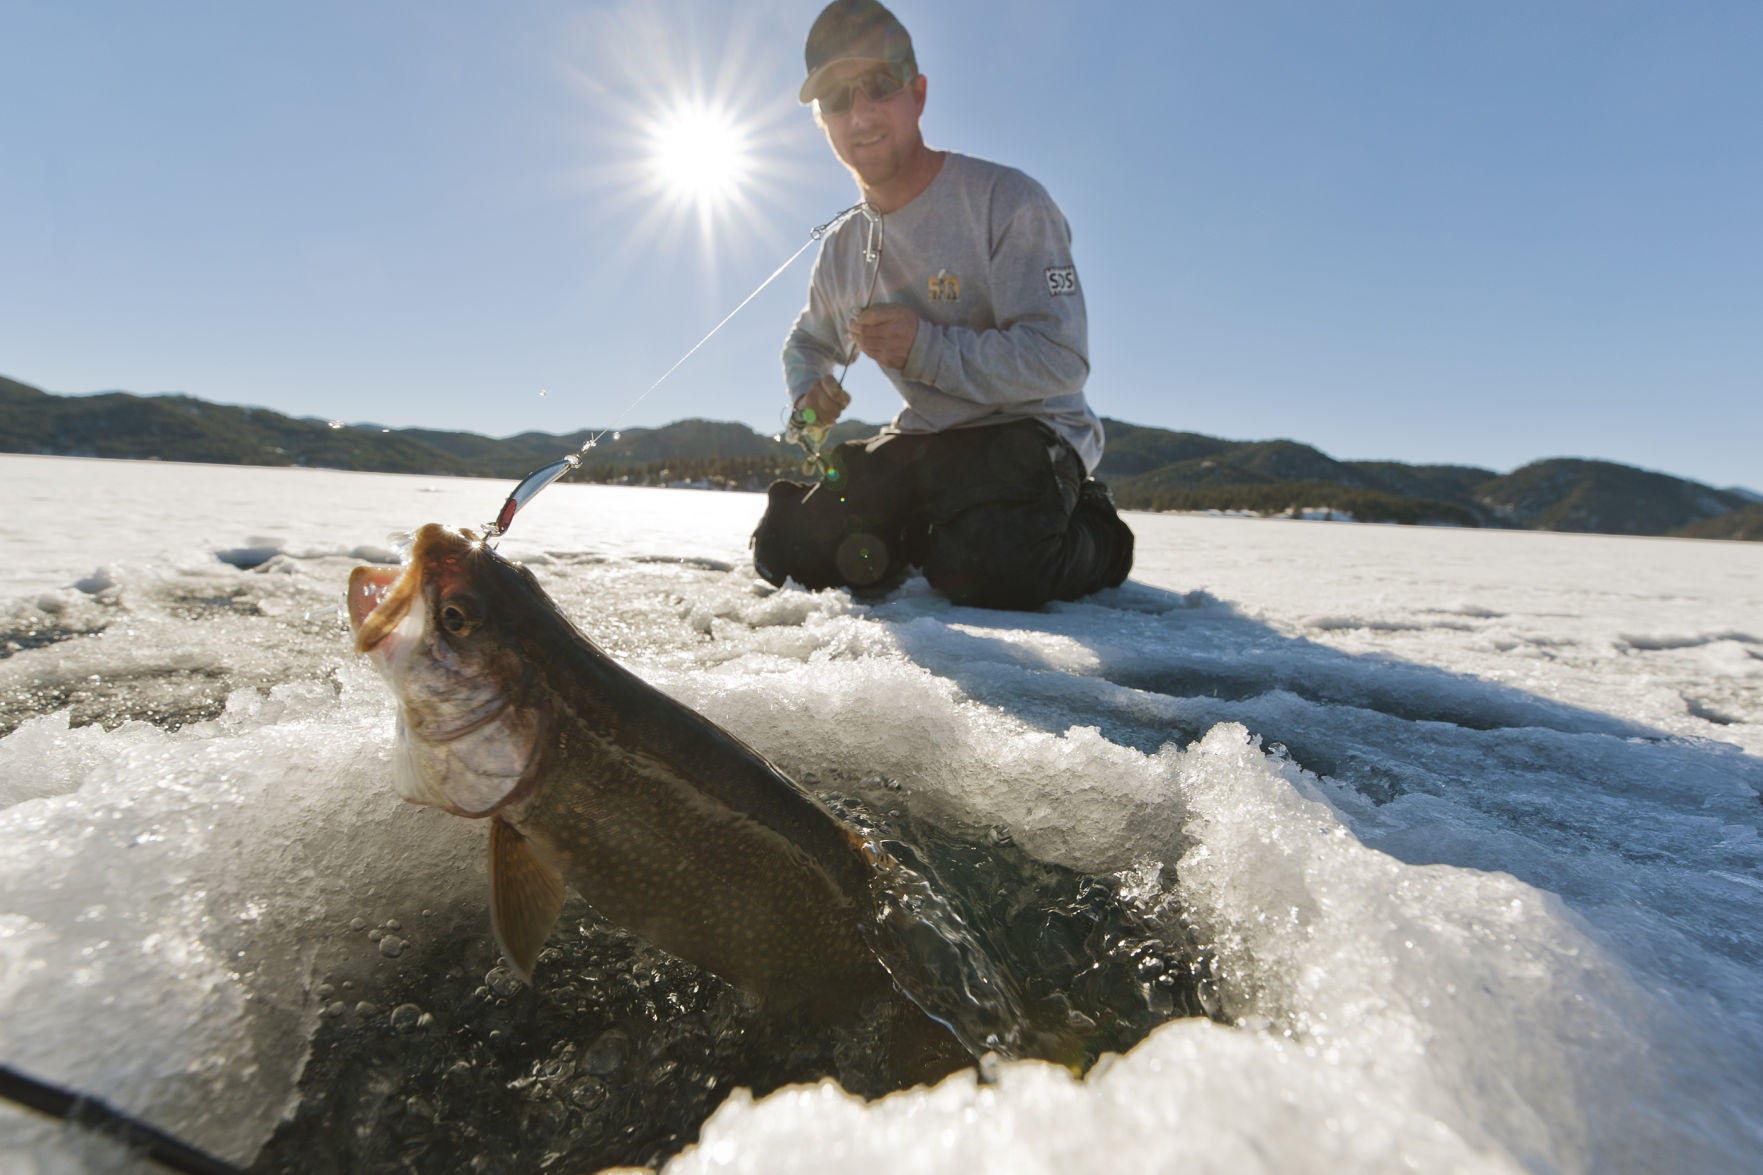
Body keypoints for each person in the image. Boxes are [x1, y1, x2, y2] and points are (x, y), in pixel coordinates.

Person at [752, 0, 1133, 610]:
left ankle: (1095, 528)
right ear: (821, 121)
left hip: (1030, 434)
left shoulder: (1007, 201)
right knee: (789, 552)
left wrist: (924, 348)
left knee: (993, 568)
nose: (861, 113)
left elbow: (1061, 359)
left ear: (918, 94)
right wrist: (808, 393)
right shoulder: (846, 245)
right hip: (928, 441)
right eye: (837, 99)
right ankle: (927, 533)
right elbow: (810, 343)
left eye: (878, 85)